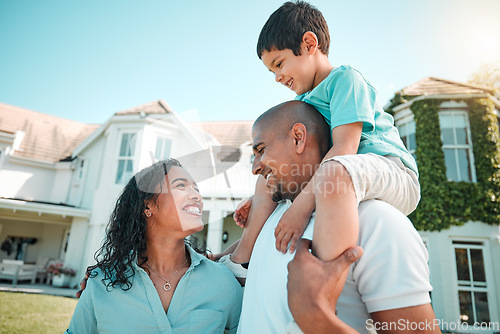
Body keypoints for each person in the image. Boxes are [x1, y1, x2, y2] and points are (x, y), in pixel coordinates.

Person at [230, 0, 420, 284]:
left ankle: (323, 282)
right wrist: (261, 200)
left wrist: (300, 208)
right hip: (343, 173)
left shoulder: (345, 80)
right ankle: (237, 260)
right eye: (272, 72)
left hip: (391, 170)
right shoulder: (302, 103)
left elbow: (345, 150)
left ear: (309, 43)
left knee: (335, 170)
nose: (277, 77)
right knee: (265, 181)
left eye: (279, 64)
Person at [237, 100, 439, 333]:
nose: (255, 168)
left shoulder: (375, 221)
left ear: (298, 138)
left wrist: (317, 319)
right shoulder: (273, 220)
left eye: (261, 150)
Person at [67, 159, 242, 333]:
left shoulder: (223, 282)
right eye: (181, 186)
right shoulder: (101, 282)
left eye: (196, 188)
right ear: (147, 204)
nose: (197, 195)